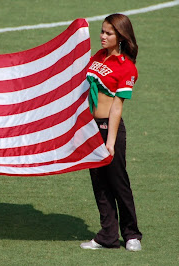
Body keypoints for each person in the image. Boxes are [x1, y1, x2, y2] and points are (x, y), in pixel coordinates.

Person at [80, 14, 142, 251]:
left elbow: (117, 107)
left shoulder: (127, 68)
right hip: (91, 129)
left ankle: (132, 234)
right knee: (99, 183)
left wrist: (111, 141)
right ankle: (107, 235)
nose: (102, 36)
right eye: (102, 31)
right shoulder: (98, 57)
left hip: (109, 129)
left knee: (118, 182)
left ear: (121, 37)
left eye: (108, 33)